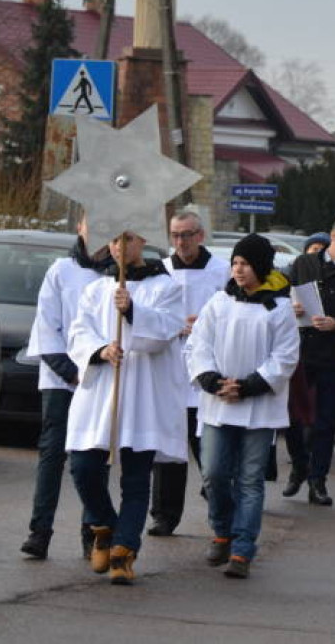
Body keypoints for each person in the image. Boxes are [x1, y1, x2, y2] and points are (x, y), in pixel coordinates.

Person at [66, 231, 185, 585]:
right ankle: (105, 525)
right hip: (103, 388)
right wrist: (100, 350)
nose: (119, 246)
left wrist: (132, 310)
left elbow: (165, 331)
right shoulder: (96, 287)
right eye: (114, 240)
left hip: (143, 392)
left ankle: (124, 551)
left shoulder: (165, 286)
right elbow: (78, 331)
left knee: (135, 475)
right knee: (83, 466)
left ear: (141, 242)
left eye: (127, 239)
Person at [187, 234, 300, 578]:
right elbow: (198, 345)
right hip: (218, 402)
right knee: (215, 473)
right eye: (235, 263)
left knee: (250, 479)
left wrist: (250, 386)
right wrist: (211, 379)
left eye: (246, 264)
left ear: (261, 267)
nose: (238, 270)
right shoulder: (219, 303)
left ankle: (242, 549)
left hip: (259, 406)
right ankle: (221, 529)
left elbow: (285, 358)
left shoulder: (279, 309)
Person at [20, 214, 111, 560]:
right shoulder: (61, 271)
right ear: (81, 229)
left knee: (94, 458)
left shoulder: (117, 277)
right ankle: (40, 530)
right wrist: (69, 371)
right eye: (93, 225)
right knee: (52, 454)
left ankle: (93, 531)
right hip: (62, 378)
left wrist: (94, 366)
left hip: (99, 379)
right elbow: (47, 325)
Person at [147, 211, 229, 537]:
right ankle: (164, 515)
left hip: (206, 369)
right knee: (168, 447)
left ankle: (219, 505)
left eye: (187, 234)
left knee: (209, 450)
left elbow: (235, 314)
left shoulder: (222, 272)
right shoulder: (160, 272)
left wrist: (208, 325)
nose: (181, 242)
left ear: (201, 235)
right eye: (175, 235)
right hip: (169, 367)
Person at [283, 214, 335, 506]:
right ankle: (298, 468)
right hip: (301, 352)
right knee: (294, 418)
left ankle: (317, 480)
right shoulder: (303, 264)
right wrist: (289, 307)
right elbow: (280, 297)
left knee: (324, 422)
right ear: (332, 237)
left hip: (333, 355)